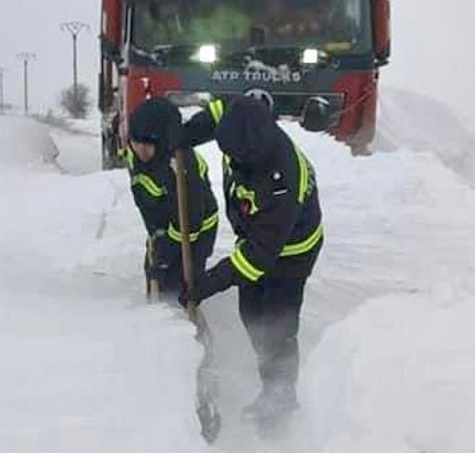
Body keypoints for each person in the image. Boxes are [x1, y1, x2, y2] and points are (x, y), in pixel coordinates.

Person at [179, 96, 324, 423]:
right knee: (251, 312)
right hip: (257, 237)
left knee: (277, 323)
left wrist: (206, 284)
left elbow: (256, 259)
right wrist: (186, 134)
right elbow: (220, 109)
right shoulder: (242, 124)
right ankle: (267, 370)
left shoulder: (280, 183)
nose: (230, 161)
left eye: (236, 157)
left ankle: (280, 397)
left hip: (293, 252)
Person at [123, 97, 219, 302]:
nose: (141, 150)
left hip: (196, 230)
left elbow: (190, 222)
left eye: (148, 145)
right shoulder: (134, 155)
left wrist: (165, 254)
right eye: (136, 142)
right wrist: (157, 237)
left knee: (181, 284)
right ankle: (156, 310)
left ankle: (181, 316)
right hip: (164, 224)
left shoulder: (181, 166)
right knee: (156, 275)